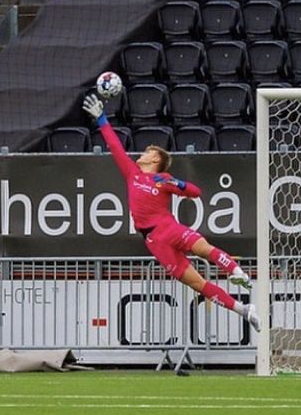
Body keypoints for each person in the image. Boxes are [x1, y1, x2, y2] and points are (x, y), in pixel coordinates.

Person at [82, 94, 259, 329]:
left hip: (169, 228)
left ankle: (238, 272)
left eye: (146, 152)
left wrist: (176, 184)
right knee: (197, 284)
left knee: (203, 249)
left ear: (155, 158)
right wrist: (102, 119)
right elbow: (115, 148)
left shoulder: (163, 179)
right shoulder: (133, 174)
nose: (141, 154)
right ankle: (244, 310)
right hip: (154, 241)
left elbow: (195, 192)